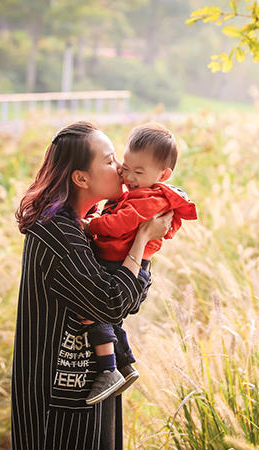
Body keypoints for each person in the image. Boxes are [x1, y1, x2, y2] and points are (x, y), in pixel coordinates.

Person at [11, 121, 173, 449]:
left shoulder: (85, 226)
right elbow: (113, 302)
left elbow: (129, 299)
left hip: (90, 386)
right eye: (111, 160)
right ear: (81, 178)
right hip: (58, 398)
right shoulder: (59, 233)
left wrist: (137, 250)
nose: (121, 168)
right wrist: (142, 240)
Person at [80, 122, 197, 405]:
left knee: (95, 312)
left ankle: (109, 369)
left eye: (138, 172)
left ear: (163, 175)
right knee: (108, 317)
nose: (128, 176)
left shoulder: (150, 199)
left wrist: (91, 225)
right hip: (120, 260)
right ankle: (124, 366)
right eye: (126, 166)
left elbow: (120, 223)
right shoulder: (141, 191)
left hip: (125, 265)